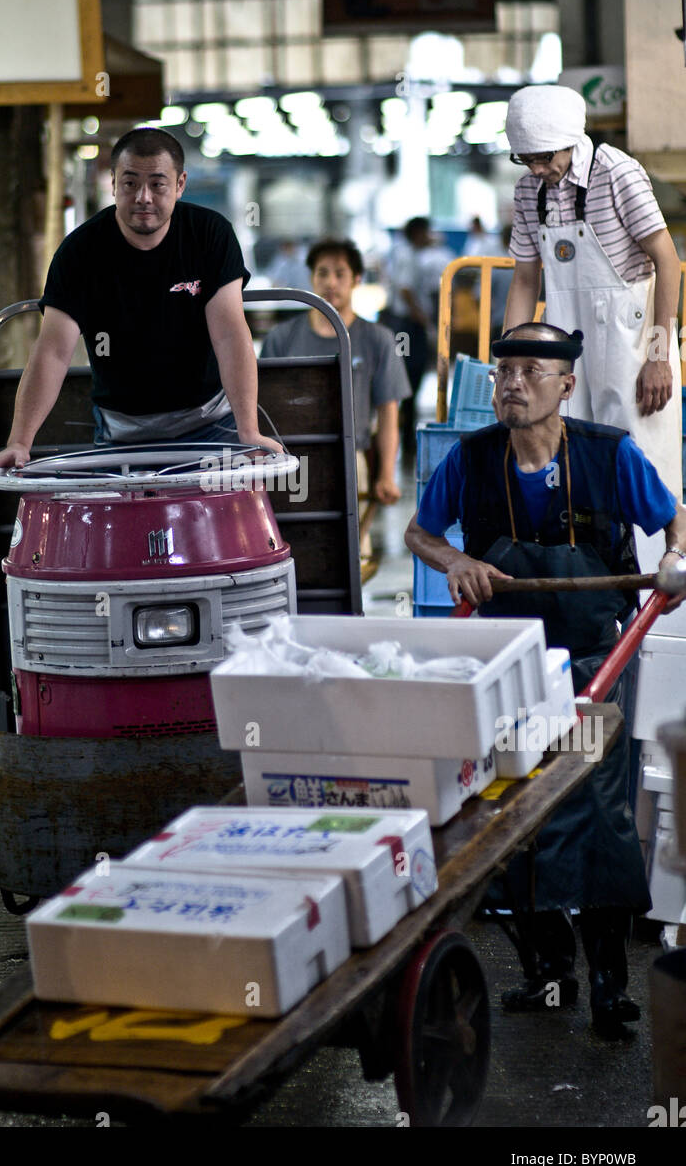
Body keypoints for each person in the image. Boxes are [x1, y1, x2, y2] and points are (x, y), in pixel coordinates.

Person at [405, 321, 686, 1038]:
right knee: (509, 808)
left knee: (598, 809)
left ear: (565, 385)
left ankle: (606, 982)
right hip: (506, 659)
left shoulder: (607, 454)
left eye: (530, 372)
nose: (512, 384)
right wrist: (451, 562)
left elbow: (673, 520)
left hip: (596, 653)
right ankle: (545, 971)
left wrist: (674, 565)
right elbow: (418, 532)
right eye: (504, 372)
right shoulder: (470, 460)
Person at [0, 127, 279, 471]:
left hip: (210, 423)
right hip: (121, 433)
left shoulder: (210, 235)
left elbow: (229, 333)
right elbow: (53, 350)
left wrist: (248, 429)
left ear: (180, 184)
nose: (143, 197)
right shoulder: (79, 253)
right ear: (112, 183)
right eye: (130, 183)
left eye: (158, 184)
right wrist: (19, 441)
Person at [502, 84, 683, 497]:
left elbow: (666, 260)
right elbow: (526, 279)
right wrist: (511, 356)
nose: (535, 170)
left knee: (639, 458)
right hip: (565, 344)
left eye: (543, 158)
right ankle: (588, 561)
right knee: (569, 453)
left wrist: (658, 357)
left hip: (632, 344)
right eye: (524, 159)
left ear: (570, 142)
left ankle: (656, 562)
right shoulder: (529, 191)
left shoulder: (617, 172)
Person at [259, 237, 409, 508]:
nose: (331, 283)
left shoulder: (379, 340)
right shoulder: (282, 338)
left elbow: (388, 414)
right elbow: (263, 410)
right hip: (292, 464)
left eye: (340, 274)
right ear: (311, 278)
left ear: (356, 279)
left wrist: (386, 475)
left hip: (352, 460)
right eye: (322, 273)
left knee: (355, 549)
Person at [380, 216, 453, 469]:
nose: (429, 236)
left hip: (405, 324)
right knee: (410, 376)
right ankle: (406, 438)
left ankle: (407, 435)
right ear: (417, 233)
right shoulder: (408, 256)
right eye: (426, 232)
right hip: (407, 327)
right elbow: (406, 291)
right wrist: (423, 320)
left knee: (411, 378)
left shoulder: (405, 253)